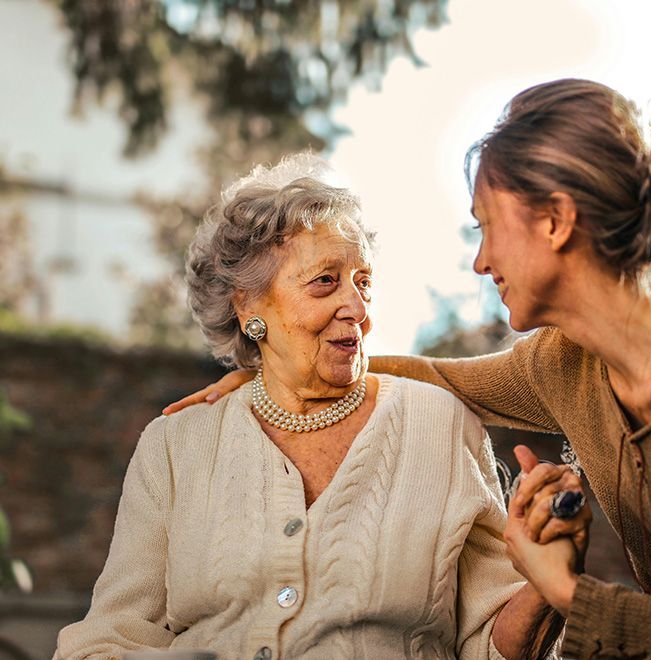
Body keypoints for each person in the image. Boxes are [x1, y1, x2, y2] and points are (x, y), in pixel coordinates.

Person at [169, 80, 651, 658]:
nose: (481, 262)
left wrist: (564, 588)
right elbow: (440, 379)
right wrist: (285, 373)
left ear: (557, 221)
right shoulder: (569, 361)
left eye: (487, 227)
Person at [55, 154, 566, 659]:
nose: (358, 308)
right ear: (248, 304)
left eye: (363, 282)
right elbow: (109, 639)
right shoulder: (174, 446)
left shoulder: (441, 426)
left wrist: (546, 585)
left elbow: (491, 645)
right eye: (325, 281)